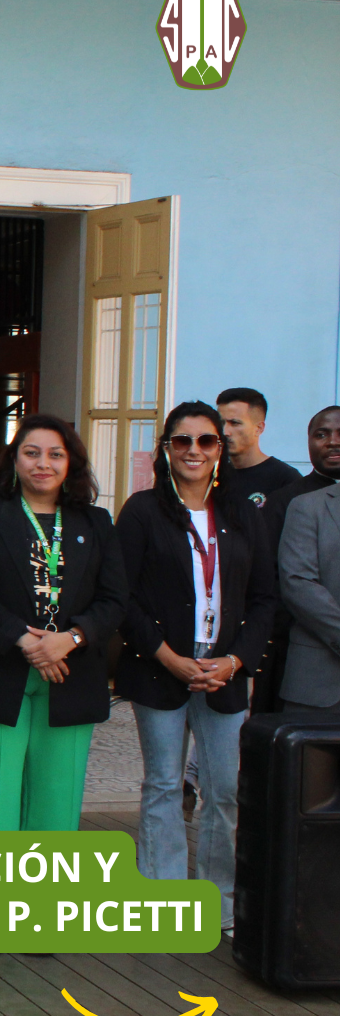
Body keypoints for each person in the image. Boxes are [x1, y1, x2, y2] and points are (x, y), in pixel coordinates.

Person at [116, 401, 275, 934]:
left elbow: (264, 599)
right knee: (163, 784)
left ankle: (219, 902)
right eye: (182, 441)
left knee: (224, 789)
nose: (194, 451)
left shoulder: (243, 514)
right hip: (162, 669)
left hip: (224, 675)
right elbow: (124, 597)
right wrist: (167, 656)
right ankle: (162, 905)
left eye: (206, 441)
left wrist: (234, 661)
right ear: (166, 449)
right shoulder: (142, 510)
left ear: (219, 450)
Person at [0, 416, 127, 830]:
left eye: (55, 454)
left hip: (70, 674)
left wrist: (70, 638)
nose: (42, 463)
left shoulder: (96, 522)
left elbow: (115, 598)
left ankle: (43, 895)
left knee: (55, 808)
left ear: (71, 464)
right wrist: (23, 640)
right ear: (14, 460)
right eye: (31, 453)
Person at [252, 405, 340, 712]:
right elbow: (290, 582)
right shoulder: (290, 501)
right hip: (298, 658)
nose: (333, 441)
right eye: (322, 434)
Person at [218, 388, 302, 509]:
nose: (225, 432)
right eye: (221, 423)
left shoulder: (285, 479)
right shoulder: (214, 475)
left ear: (259, 428)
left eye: (235, 423)